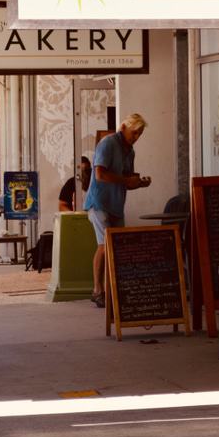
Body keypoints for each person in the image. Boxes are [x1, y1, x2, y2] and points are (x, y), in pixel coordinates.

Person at [83, 114, 152, 308]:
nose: (136, 137)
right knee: (105, 246)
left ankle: (113, 289)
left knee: (116, 247)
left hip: (116, 204)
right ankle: (98, 290)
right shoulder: (108, 143)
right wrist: (126, 181)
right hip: (99, 203)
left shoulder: (130, 151)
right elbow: (100, 173)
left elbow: (126, 180)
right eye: (134, 132)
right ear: (123, 127)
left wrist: (139, 183)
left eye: (140, 134)